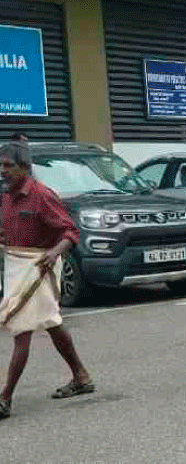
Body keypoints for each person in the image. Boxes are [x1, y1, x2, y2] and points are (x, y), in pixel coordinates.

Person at [0, 133, 94, 420]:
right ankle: (81, 376)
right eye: (0, 166)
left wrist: (54, 254)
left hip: (39, 266)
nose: (2, 171)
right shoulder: (6, 196)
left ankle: (5, 398)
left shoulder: (42, 195)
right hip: (17, 264)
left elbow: (70, 232)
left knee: (22, 329)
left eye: (7, 166)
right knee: (51, 323)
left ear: (24, 168)